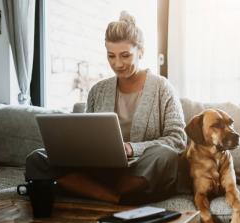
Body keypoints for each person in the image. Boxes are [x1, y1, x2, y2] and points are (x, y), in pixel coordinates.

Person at [24, 11, 187, 204]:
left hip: (140, 171)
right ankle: (115, 198)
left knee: (164, 155)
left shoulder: (162, 87)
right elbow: (86, 136)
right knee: (36, 158)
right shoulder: (98, 90)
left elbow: (177, 140)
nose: (117, 64)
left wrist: (131, 148)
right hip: (101, 170)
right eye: (111, 56)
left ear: (141, 52)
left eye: (125, 55)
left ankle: (92, 191)